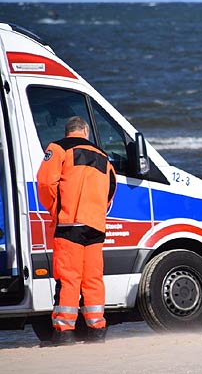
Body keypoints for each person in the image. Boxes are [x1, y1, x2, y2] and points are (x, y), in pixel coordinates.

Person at [37, 116, 116, 345]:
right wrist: (98, 211)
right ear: (85, 131)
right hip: (96, 225)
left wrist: (56, 209)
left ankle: (64, 332)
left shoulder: (58, 148)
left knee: (68, 278)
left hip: (70, 223)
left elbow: (45, 183)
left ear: (68, 131)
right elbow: (112, 189)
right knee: (93, 278)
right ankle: (97, 329)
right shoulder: (103, 156)